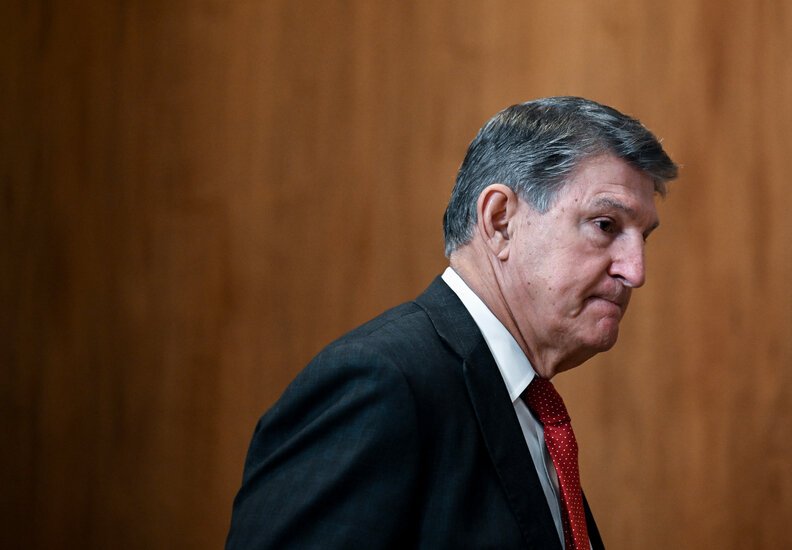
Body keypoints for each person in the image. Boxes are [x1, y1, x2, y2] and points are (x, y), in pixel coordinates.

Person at [226, 96, 678, 549]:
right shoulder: (380, 384)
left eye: (643, 238)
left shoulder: (528, 406)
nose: (635, 271)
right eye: (605, 225)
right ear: (500, 222)